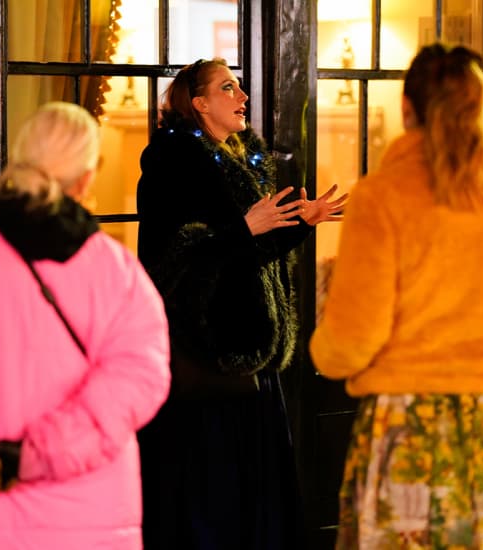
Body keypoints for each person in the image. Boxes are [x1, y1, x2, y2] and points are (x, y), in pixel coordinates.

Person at [136, 57, 347, 550]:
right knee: (214, 498)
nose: (243, 97)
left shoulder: (240, 158)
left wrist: (300, 222)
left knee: (258, 495)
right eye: (228, 88)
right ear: (199, 102)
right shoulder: (171, 163)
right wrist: (244, 228)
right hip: (210, 355)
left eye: (240, 87)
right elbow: (168, 261)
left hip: (254, 351)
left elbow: (247, 253)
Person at [0, 101, 171, 549]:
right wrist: (33, 456)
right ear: (87, 178)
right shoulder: (115, 270)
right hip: (88, 517)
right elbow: (139, 379)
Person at [309, 42, 483, 549]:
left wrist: (321, 350)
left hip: (411, 423)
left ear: (407, 108)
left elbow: (351, 341)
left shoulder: (384, 196)